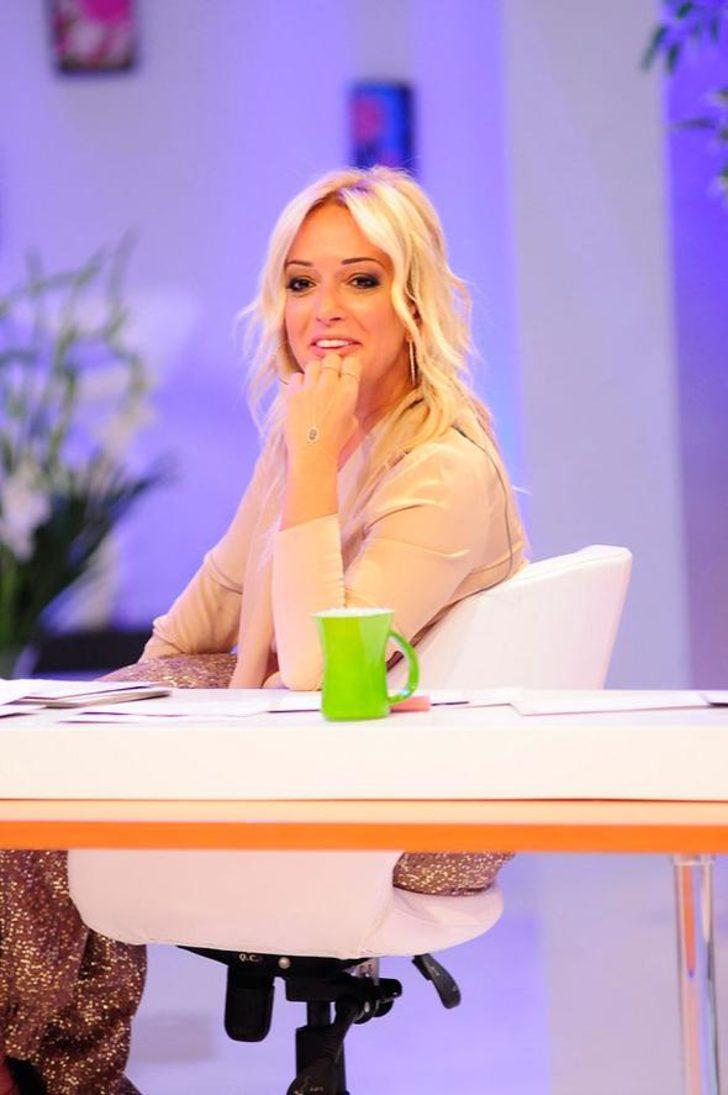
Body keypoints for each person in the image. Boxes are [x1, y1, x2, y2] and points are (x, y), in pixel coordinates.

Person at [0, 166, 525, 1093]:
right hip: (304, 756)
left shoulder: (441, 468)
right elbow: (215, 600)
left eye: (362, 279)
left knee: (41, 812)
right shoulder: (303, 436)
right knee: (50, 787)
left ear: (413, 300)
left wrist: (313, 455)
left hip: (414, 810)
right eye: (301, 281)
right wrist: (121, 716)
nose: (325, 308)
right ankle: (55, 1071)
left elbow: (321, 669)